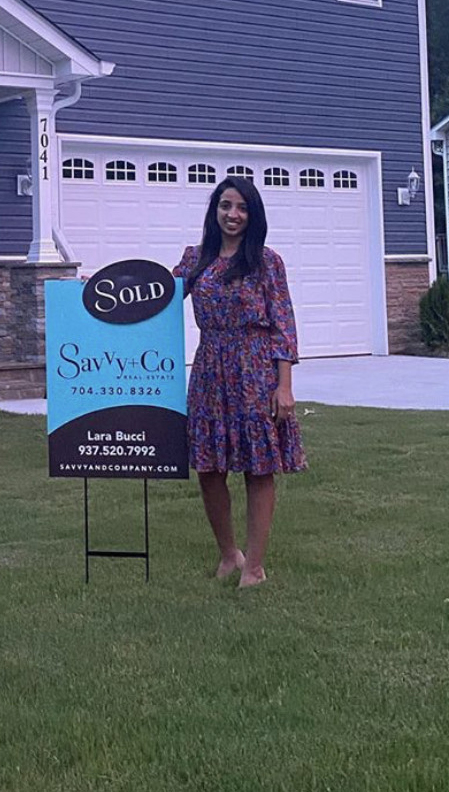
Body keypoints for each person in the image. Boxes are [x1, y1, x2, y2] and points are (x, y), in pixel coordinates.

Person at [173, 175, 306, 588]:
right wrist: (98, 289)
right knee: (209, 467)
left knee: (258, 466)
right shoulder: (197, 259)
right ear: (215, 211)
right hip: (210, 369)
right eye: (226, 206)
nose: (233, 215)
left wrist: (283, 387)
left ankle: (255, 567)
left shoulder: (267, 262)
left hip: (255, 369)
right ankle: (230, 554)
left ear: (253, 215)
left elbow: (283, 326)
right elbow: (159, 294)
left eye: (242, 208)